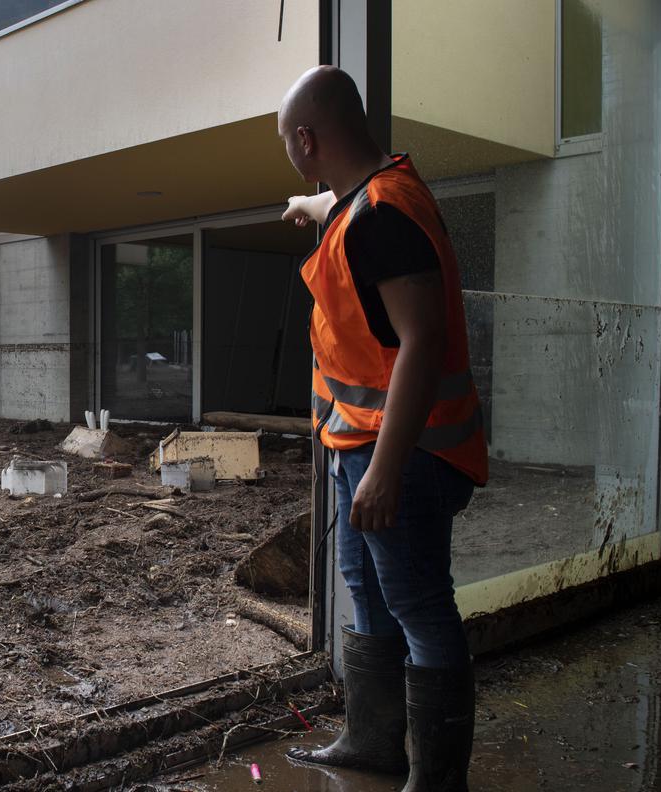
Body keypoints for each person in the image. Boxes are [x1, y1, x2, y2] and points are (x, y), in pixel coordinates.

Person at [276, 66, 488, 791]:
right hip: (362, 442)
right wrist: (310, 200)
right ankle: (373, 742)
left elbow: (422, 342)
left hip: (407, 452)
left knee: (420, 607)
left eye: (289, 145)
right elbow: (341, 196)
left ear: (307, 138)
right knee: (366, 592)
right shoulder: (370, 193)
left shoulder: (382, 218)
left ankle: (437, 778)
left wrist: (386, 469)